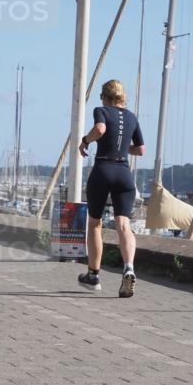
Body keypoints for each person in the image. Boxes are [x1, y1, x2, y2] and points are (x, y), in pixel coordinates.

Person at [77, 80, 145, 297]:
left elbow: (100, 128)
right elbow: (141, 150)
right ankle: (129, 268)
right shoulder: (133, 117)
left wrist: (85, 141)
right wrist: (124, 147)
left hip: (104, 169)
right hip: (124, 175)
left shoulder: (102, 110)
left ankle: (93, 276)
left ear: (105, 97)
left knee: (95, 224)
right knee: (123, 224)